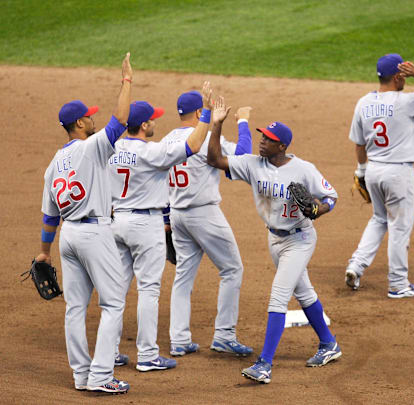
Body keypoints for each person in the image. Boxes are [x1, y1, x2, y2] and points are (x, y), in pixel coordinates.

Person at [206, 97, 341, 384]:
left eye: (269, 140)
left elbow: (331, 196)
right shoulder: (254, 164)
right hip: (275, 240)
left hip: (300, 239)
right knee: (303, 293)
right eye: (262, 137)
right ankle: (329, 345)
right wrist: (216, 126)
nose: (262, 142)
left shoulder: (304, 169)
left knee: (279, 296)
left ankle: (264, 364)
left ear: (282, 146)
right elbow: (215, 160)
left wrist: (319, 208)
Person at [34, 53, 133, 394]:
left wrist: (44, 253)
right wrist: (126, 82)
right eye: (89, 116)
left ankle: (81, 374)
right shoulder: (91, 149)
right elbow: (121, 121)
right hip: (94, 232)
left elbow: (50, 217)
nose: (94, 119)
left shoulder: (54, 163)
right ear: (80, 124)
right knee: (113, 303)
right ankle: (102, 376)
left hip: (68, 237)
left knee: (75, 308)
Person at [108, 83, 213, 371]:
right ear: (144, 125)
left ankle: (111, 351)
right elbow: (192, 146)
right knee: (149, 290)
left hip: (117, 221)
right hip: (144, 224)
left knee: (116, 291)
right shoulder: (150, 152)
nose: (155, 121)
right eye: (152, 118)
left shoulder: (112, 148)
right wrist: (206, 117)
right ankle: (147, 355)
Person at [161, 90, 253, 357]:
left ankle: (179, 339)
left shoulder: (167, 141)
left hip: (178, 216)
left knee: (183, 277)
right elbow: (243, 156)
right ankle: (224, 335)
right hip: (204, 215)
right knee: (232, 269)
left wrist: (166, 219)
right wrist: (243, 121)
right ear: (200, 114)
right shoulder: (204, 140)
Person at [344, 53, 414, 298]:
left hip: (373, 170)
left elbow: (359, 144)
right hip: (398, 174)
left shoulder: (363, 102)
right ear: (398, 77)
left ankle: (356, 265)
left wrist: (361, 171)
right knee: (399, 227)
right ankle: (398, 284)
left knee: (379, 219)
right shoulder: (407, 102)